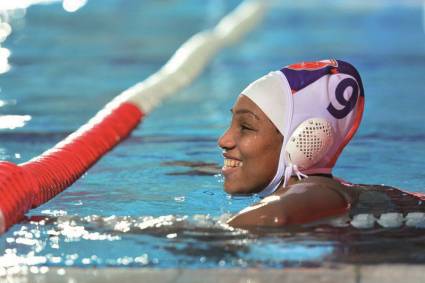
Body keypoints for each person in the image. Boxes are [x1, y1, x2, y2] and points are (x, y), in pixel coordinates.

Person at [218, 59, 425, 229]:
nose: (224, 140)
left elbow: (274, 218)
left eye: (246, 127)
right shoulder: (331, 190)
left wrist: (199, 232)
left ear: (303, 138)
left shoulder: (319, 191)